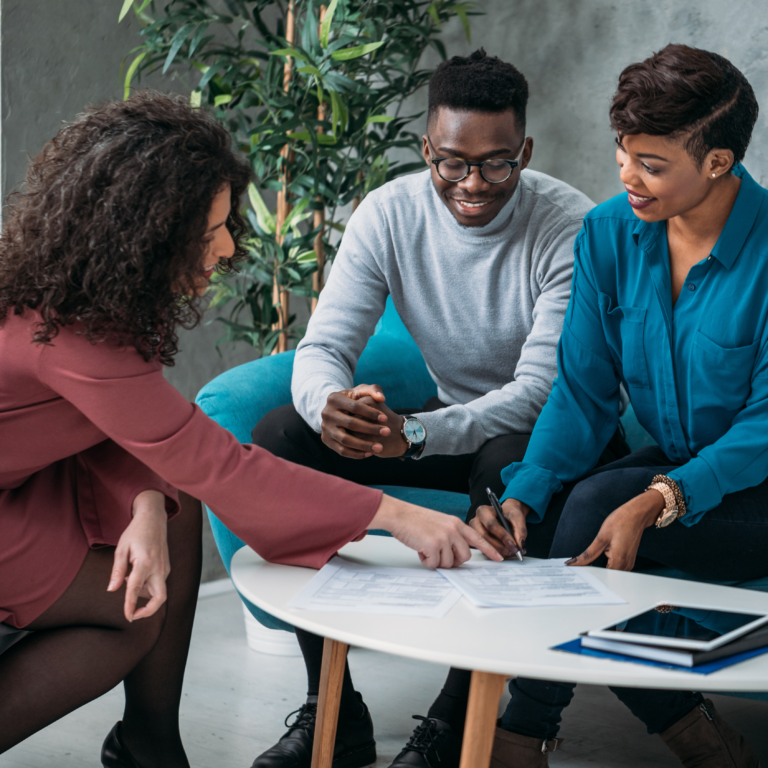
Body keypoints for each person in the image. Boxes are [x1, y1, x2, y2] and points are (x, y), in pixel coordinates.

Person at [0, 90, 500, 768]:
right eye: (210, 233)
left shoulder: (73, 294)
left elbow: (127, 427)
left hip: (24, 485)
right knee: (132, 613)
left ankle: (148, 743)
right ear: (145, 232)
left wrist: (146, 503)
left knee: (174, 509)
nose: (229, 247)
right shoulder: (66, 334)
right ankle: (140, 746)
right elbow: (219, 463)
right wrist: (397, 515)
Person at [250, 49, 629, 768]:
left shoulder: (568, 225)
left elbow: (541, 391)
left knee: (507, 460)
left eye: (496, 163)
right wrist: (330, 406)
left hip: (557, 436)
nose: (473, 184)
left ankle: (457, 718)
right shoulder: (388, 213)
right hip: (450, 419)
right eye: (452, 162)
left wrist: (418, 434)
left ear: (526, 150)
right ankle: (332, 708)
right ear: (426, 148)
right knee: (277, 440)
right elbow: (324, 343)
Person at [470, 44, 766, 768]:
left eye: (653, 165)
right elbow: (583, 389)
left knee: (598, 504)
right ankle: (694, 736)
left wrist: (664, 495)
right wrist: (528, 493)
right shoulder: (609, 232)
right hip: (677, 460)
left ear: (720, 162)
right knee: (534, 501)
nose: (627, 177)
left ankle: (521, 730)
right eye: (624, 153)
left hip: (758, 484)